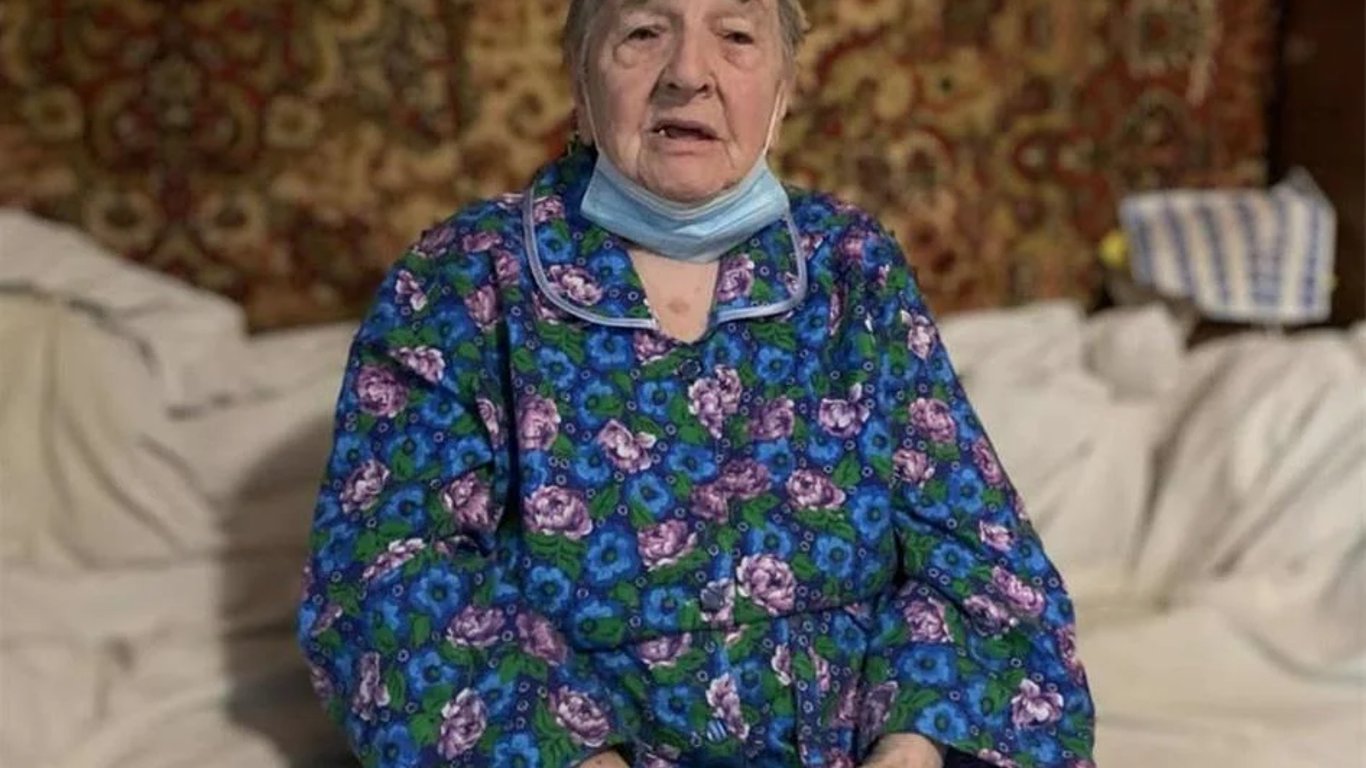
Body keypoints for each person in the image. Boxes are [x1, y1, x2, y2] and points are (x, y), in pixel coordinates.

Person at [295, 0, 1097, 766]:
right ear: (581, 76)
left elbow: (981, 561)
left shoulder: (852, 268)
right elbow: (383, 577)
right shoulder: (463, 279)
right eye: (644, 31)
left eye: (736, 36)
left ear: (782, 88)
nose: (688, 72)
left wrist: (909, 749)